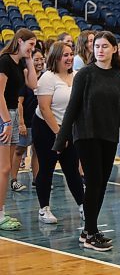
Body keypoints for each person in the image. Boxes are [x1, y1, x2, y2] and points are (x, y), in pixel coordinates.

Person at [53, 31, 120, 251]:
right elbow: (72, 109)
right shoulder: (85, 74)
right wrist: (60, 141)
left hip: (109, 136)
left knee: (102, 184)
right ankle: (90, 232)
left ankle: (89, 231)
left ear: (114, 49)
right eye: (97, 46)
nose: (100, 50)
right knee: (94, 181)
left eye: (105, 46)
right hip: (86, 135)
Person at [32, 42, 84, 224]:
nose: (70, 58)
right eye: (65, 55)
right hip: (46, 128)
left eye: (71, 54)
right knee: (47, 168)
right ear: (56, 58)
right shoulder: (47, 78)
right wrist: (58, 134)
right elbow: (44, 108)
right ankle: (44, 208)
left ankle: (83, 205)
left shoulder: (77, 76)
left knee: (72, 169)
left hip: (67, 128)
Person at [0, 28, 38, 231]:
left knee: (5, 168)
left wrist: (30, 60)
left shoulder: (20, 62)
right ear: (20, 41)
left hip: (12, 113)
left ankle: (1, 211)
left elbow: (34, 84)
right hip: (4, 114)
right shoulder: (5, 60)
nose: (33, 48)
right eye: (30, 44)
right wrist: (6, 121)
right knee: (4, 168)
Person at [10, 49, 44, 191]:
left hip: (40, 121)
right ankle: (13, 179)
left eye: (41, 59)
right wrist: (21, 123)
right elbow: (19, 102)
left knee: (37, 151)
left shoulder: (45, 78)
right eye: (36, 59)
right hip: (27, 121)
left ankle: (37, 179)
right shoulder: (25, 79)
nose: (40, 62)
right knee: (19, 150)